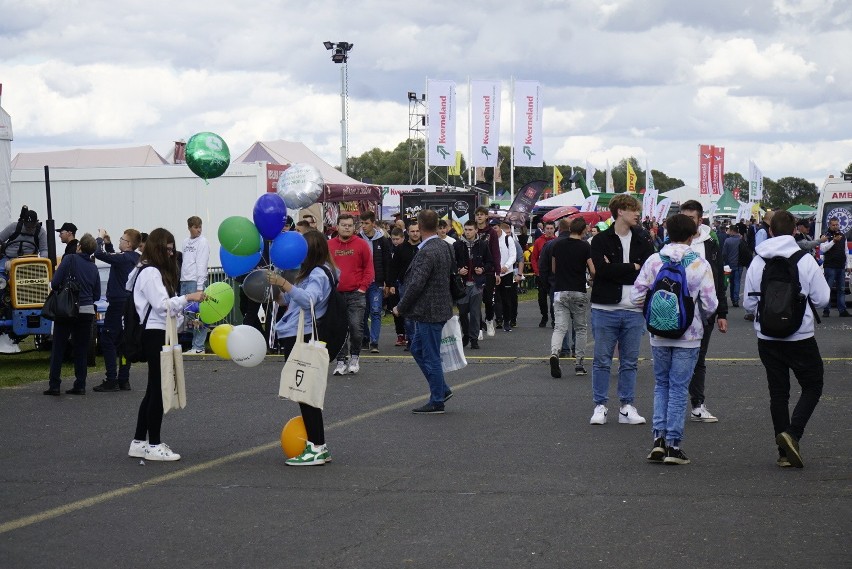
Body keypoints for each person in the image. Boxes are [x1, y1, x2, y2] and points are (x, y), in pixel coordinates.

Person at [743, 210, 830, 468]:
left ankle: (783, 453)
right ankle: (792, 434)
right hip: (800, 335)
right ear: (795, 230)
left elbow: (748, 303)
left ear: (770, 231)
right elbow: (823, 299)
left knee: (778, 393)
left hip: (767, 336)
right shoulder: (805, 260)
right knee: (813, 385)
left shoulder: (758, 261)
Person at [630, 214, 718, 465]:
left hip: (659, 333)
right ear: (692, 236)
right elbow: (710, 304)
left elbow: (636, 297)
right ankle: (673, 445)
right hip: (689, 334)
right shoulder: (700, 263)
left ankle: (657, 439)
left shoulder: (654, 260)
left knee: (661, 385)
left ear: (667, 232)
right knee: (679, 388)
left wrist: (654, 313)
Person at [126, 228, 205, 461]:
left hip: (158, 331)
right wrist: (188, 298)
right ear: (158, 248)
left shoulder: (147, 270)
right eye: (168, 250)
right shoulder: (150, 272)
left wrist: (184, 313)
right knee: (159, 389)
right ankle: (153, 444)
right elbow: (162, 305)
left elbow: (166, 308)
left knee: (153, 389)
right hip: (155, 333)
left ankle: (140, 441)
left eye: (173, 250)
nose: (171, 255)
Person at [267, 230, 335, 466]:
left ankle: (316, 446)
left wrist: (285, 283)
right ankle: (318, 446)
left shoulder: (318, 273)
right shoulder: (312, 272)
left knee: (307, 394)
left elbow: (309, 300)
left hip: (302, 335)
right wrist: (279, 291)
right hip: (295, 332)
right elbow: (293, 300)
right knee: (304, 393)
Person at [589, 193, 654, 425]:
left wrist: (617, 268)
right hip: (604, 308)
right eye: (632, 209)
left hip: (635, 309)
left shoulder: (644, 239)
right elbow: (600, 272)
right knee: (602, 360)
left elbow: (647, 271)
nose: (637, 213)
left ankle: (627, 406)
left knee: (630, 361)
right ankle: (600, 406)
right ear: (619, 212)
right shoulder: (600, 240)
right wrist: (631, 266)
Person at [393, 209, 454, 414]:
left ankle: (437, 399)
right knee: (417, 349)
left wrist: (401, 307)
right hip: (438, 307)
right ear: (437, 225)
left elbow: (416, 284)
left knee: (431, 356)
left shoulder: (427, 251)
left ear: (419, 226)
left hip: (429, 310)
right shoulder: (444, 246)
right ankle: (441, 389)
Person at [678, 200, 728, 423]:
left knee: (699, 359)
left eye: (691, 218)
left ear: (700, 219)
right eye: (683, 217)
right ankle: (675, 404)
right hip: (677, 309)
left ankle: (697, 404)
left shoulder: (711, 243)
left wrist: (722, 313)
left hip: (705, 310)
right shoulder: (672, 243)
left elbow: (718, 280)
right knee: (675, 358)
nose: (687, 222)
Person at [43, 234, 101, 396]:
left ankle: (55, 385)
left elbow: (55, 283)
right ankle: (80, 384)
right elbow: (96, 295)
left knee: (59, 347)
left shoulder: (69, 259)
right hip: (87, 311)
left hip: (67, 310)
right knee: (81, 349)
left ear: (79, 246)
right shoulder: (93, 268)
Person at [92, 228, 142, 392]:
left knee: (107, 338)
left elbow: (99, 254)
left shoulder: (123, 258)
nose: (120, 241)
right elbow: (116, 258)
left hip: (117, 304)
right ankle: (124, 378)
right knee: (124, 341)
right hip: (130, 304)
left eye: (122, 239)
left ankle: (111, 378)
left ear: (128, 244)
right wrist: (109, 244)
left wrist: (99, 240)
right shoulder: (135, 258)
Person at [328, 213, 374, 374]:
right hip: (336, 295)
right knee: (338, 329)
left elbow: (369, 269)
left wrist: (363, 287)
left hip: (356, 294)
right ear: (337, 227)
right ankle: (340, 361)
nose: (346, 227)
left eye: (349, 225)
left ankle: (355, 356)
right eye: (343, 225)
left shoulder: (361, 245)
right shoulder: (329, 245)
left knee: (356, 327)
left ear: (354, 227)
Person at [549, 217, 594, 378]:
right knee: (580, 328)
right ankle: (579, 364)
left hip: (560, 291)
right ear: (583, 231)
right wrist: (590, 278)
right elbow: (592, 269)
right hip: (578, 290)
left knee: (560, 327)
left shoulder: (558, 245)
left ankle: (554, 353)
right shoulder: (585, 246)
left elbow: (554, 268)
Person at [453, 220, 493, 349]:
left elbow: (489, 262)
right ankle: (466, 334)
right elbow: (452, 263)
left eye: (470, 230)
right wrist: (459, 270)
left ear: (476, 230)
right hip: (462, 285)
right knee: (463, 312)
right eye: (466, 229)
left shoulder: (482, 244)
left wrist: (483, 269)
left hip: (477, 283)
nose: (468, 232)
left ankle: (474, 338)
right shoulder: (457, 245)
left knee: (475, 313)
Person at [358, 211, 392, 353]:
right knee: (362, 313)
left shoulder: (382, 240)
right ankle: (365, 338)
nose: (364, 226)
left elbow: (387, 262)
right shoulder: (358, 239)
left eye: (366, 223)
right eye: (362, 223)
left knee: (376, 311)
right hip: (361, 282)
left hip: (376, 282)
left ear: (373, 223)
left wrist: (388, 283)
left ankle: (375, 342)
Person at [179, 216, 210, 354]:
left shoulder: (203, 242)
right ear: (189, 228)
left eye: (200, 227)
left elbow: (202, 263)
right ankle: (194, 345)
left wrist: (200, 286)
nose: (198, 230)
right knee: (189, 314)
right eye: (196, 227)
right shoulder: (185, 242)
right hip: (185, 280)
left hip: (195, 281)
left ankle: (199, 347)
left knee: (199, 314)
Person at [474, 206, 502, 336]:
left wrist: (498, 272)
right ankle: (478, 327)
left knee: (488, 299)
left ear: (486, 217)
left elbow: (496, 253)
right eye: (477, 214)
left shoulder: (491, 233)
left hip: (489, 270)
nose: (479, 216)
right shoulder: (472, 231)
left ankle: (489, 319)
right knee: (476, 300)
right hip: (475, 270)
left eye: (482, 214)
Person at [819, 216, 849, 317]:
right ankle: (826, 310)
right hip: (830, 266)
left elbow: (846, 251)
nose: (835, 227)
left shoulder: (842, 235)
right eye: (833, 225)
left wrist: (848, 265)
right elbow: (823, 249)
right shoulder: (825, 235)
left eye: (837, 225)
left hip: (841, 266)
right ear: (829, 225)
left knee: (841, 289)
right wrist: (833, 241)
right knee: (828, 289)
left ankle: (842, 310)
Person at [531, 221, 557, 328]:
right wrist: (537, 271)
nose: (549, 231)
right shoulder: (538, 241)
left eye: (551, 228)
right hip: (541, 274)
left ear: (554, 229)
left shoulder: (557, 241)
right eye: (548, 228)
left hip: (553, 275)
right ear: (544, 229)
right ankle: (544, 316)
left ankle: (554, 319)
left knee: (553, 298)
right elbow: (534, 258)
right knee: (541, 298)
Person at [387, 227, 409, 347]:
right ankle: (400, 334)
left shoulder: (405, 250)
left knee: (405, 309)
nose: (395, 241)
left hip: (403, 282)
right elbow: (389, 268)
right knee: (395, 310)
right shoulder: (390, 250)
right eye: (393, 239)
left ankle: (407, 333)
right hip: (393, 283)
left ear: (403, 238)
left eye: (397, 239)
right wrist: (389, 283)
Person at [496, 220, 518, 332]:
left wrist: (506, 266)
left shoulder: (507, 239)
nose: (494, 230)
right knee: (495, 298)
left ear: (499, 227)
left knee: (506, 299)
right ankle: (497, 319)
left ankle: (507, 321)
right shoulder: (489, 239)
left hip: (507, 273)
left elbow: (513, 255)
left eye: (495, 227)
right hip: (494, 273)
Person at [720, 225, 743, 307]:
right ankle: (736, 299)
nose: (728, 231)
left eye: (729, 230)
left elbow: (724, 253)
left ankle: (730, 298)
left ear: (733, 231)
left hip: (728, 265)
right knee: (737, 282)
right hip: (739, 264)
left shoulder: (728, 241)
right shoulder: (741, 240)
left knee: (728, 282)